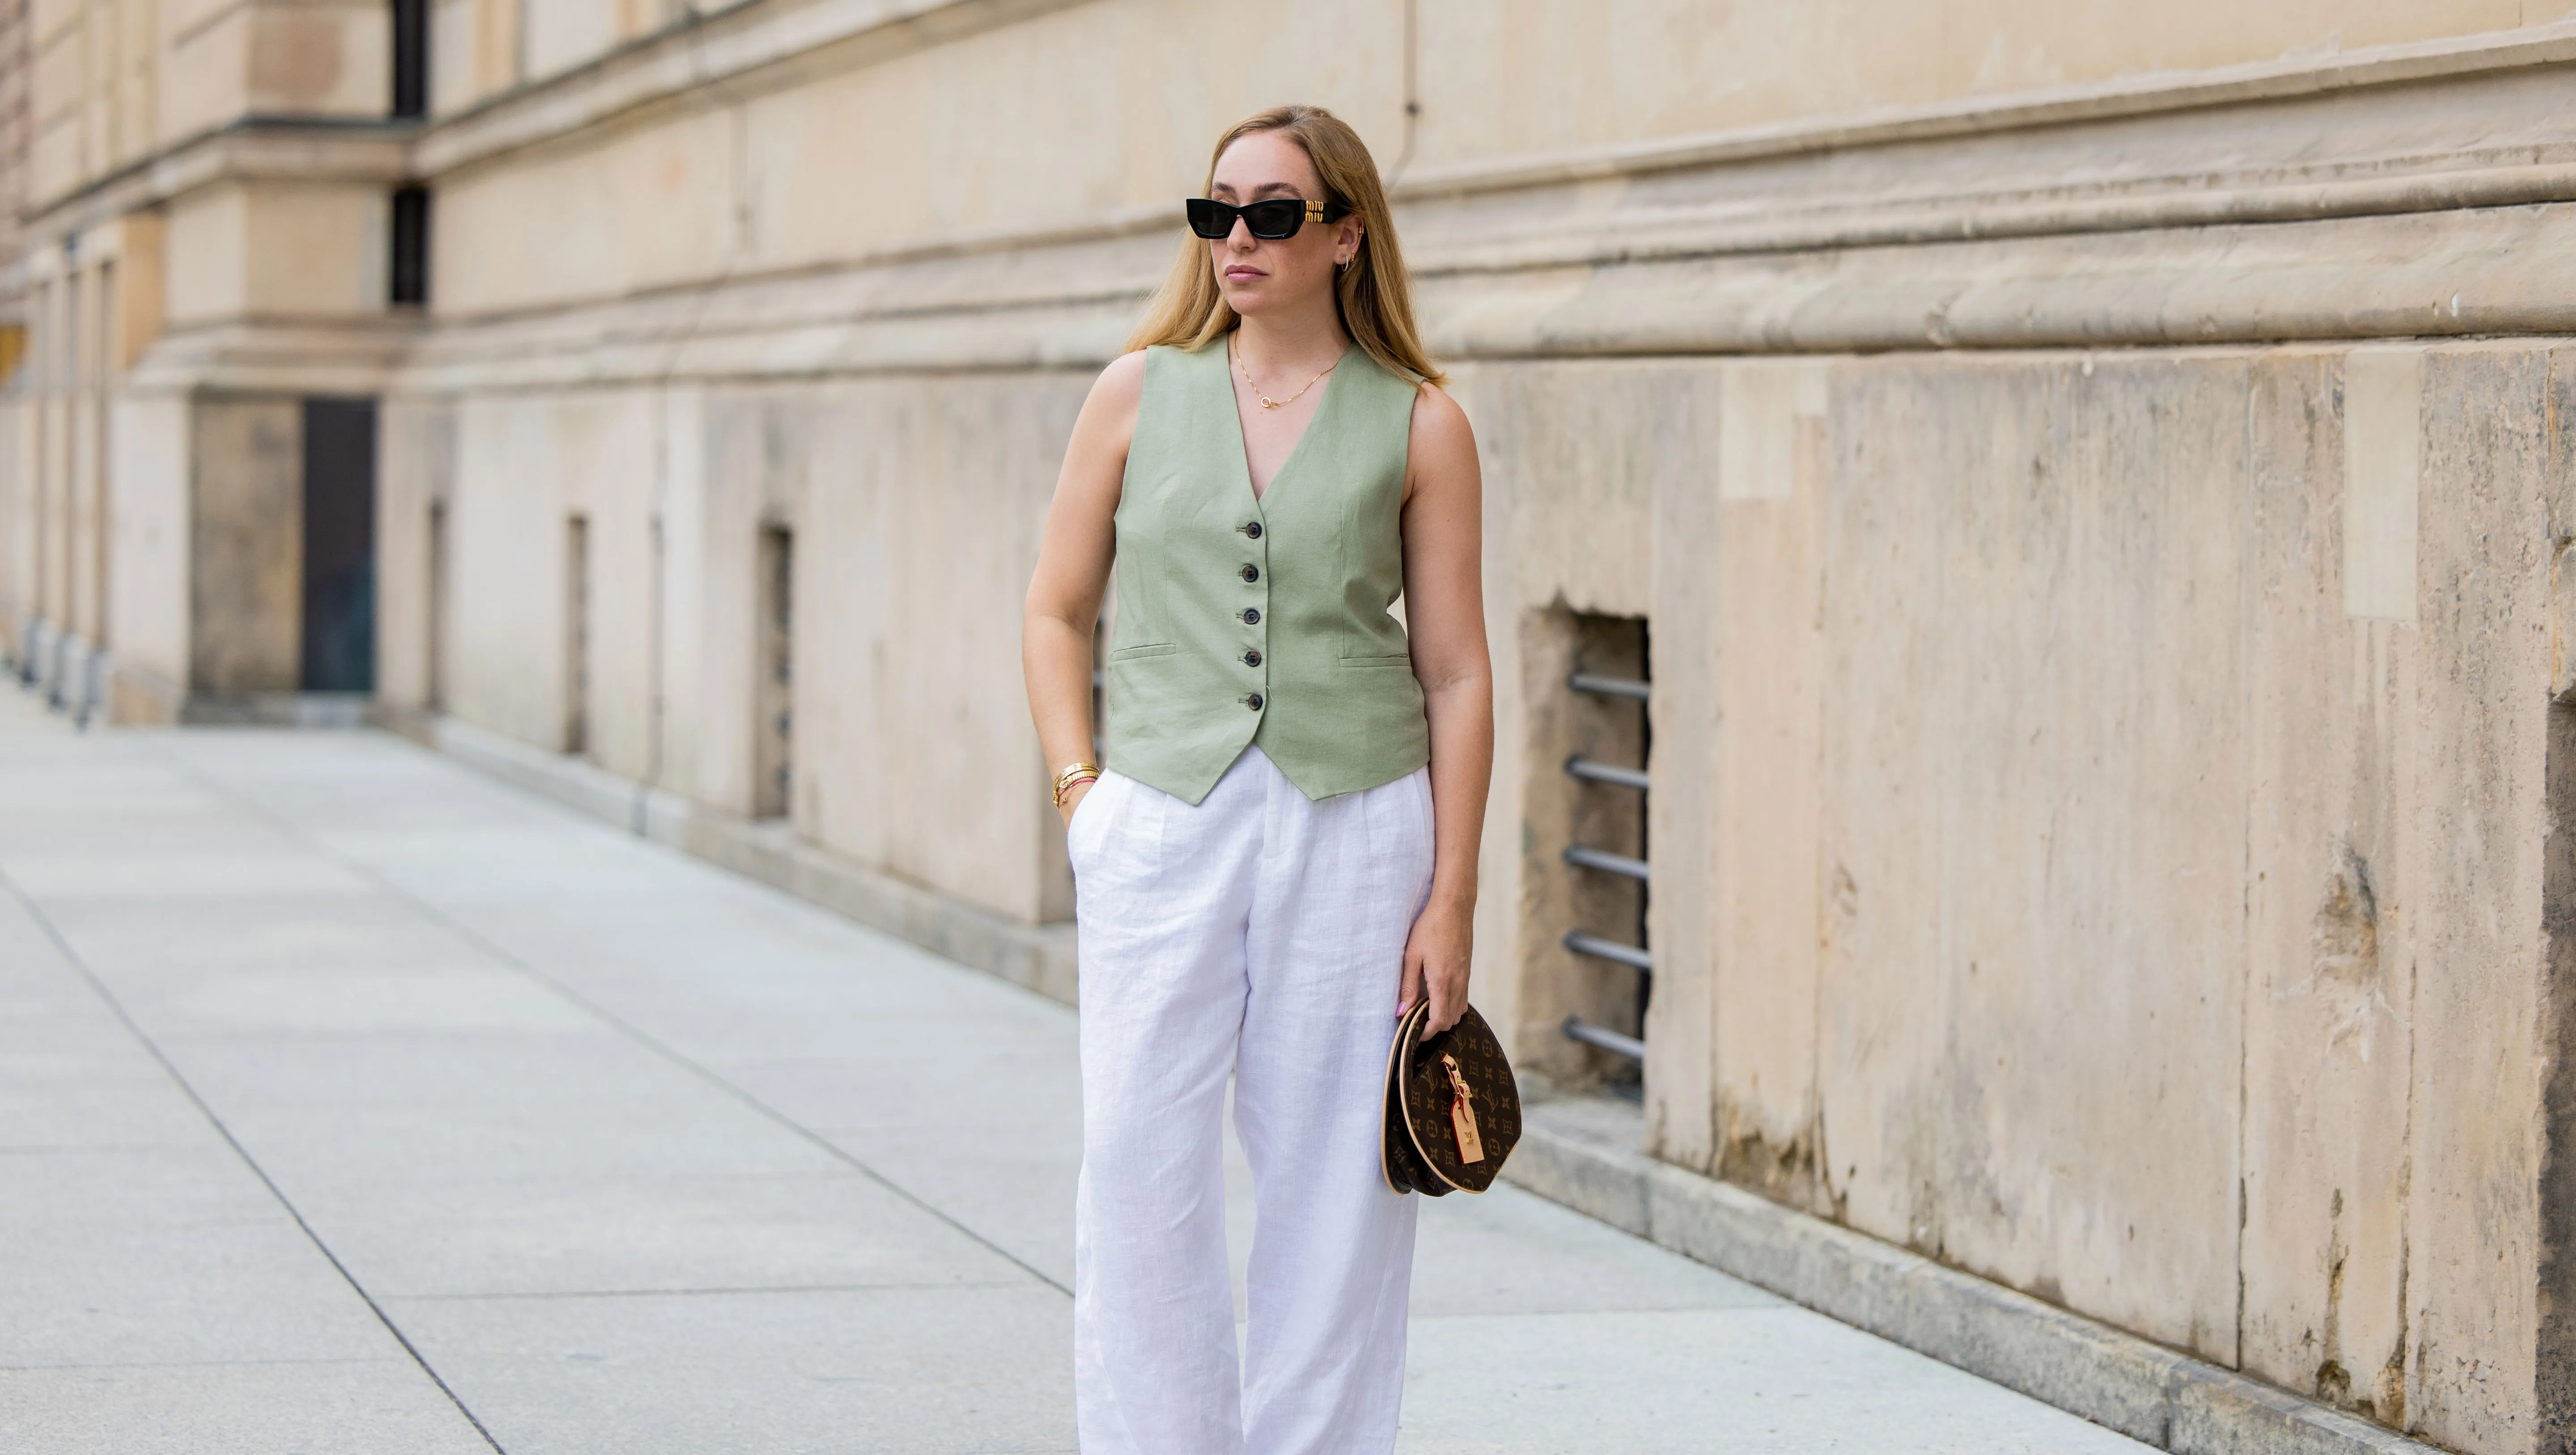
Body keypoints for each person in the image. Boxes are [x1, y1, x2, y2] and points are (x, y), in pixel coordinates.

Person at [1020, 102, 1494, 1455]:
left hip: (1355, 825)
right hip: (1161, 817)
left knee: (1337, 1194)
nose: (1237, 238)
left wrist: (1451, 896)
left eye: (1274, 214)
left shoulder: (1422, 424)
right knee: (1135, 1175)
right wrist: (1082, 799)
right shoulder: (1136, 392)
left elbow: (1459, 672)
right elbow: (1054, 609)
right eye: (1216, 210)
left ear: (1345, 234)